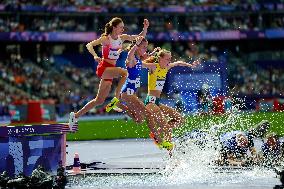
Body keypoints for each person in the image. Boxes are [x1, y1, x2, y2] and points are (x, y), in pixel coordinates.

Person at [68, 17, 149, 129]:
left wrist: (145, 28)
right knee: (124, 73)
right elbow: (89, 45)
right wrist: (95, 56)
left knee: (99, 100)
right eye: (121, 27)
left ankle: (75, 116)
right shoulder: (106, 39)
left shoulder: (122, 38)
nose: (123, 29)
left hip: (111, 70)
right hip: (104, 68)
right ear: (114, 27)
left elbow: (140, 38)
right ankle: (116, 99)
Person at [143, 49, 200, 151]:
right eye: (167, 59)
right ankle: (169, 151)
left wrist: (190, 65)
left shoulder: (167, 67)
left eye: (170, 59)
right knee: (167, 128)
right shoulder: (154, 67)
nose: (169, 61)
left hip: (157, 102)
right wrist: (149, 55)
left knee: (180, 119)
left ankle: (156, 133)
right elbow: (140, 63)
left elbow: (178, 63)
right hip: (150, 102)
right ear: (160, 58)